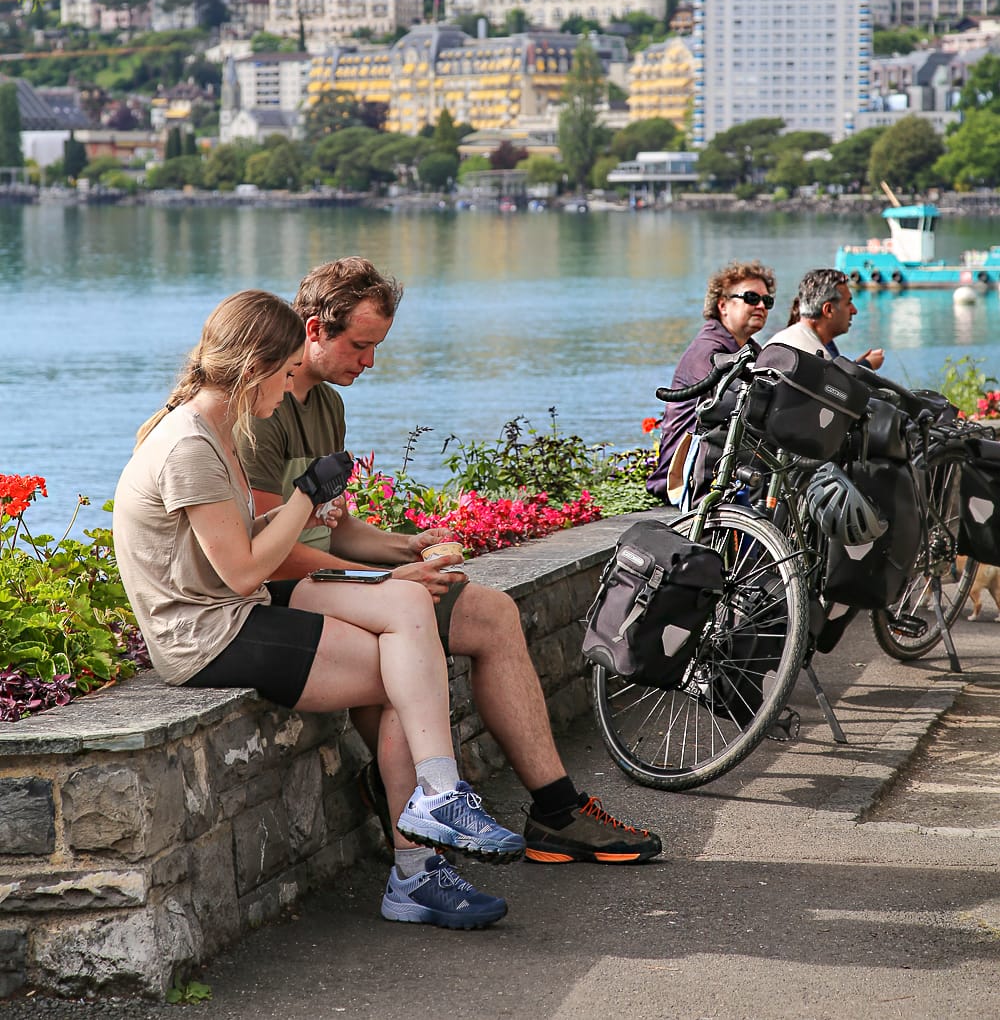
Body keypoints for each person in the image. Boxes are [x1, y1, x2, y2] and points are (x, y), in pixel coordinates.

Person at [112, 288, 526, 932]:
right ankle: (418, 867)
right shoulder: (191, 444)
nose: (287, 387)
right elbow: (245, 568)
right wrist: (306, 499)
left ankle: (439, 798)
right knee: (404, 682)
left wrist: (310, 512)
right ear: (254, 368)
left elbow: (241, 537)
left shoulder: (212, 424)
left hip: (236, 604)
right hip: (207, 632)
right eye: (282, 374)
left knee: (406, 602)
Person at [241, 258, 662, 868]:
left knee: (491, 612)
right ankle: (419, 806)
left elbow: (333, 528)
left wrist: (405, 546)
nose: (370, 362)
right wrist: (386, 579)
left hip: (342, 582)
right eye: (361, 345)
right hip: (293, 595)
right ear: (313, 330)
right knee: (421, 629)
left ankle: (553, 809)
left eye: (376, 346)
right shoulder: (262, 412)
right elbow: (269, 556)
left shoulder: (327, 406)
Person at [647, 259, 777, 503]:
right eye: (751, 297)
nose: (761, 305)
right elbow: (736, 399)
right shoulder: (708, 349)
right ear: (723, 305)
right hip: (687, 473)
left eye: (767, 301)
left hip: (719, 462)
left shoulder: (749, 349)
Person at [768, 269, 884, 369]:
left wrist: (856, 368)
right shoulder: (818, 359)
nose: (854, 311)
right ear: (828, 310)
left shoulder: (778, 341)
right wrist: (866, 365)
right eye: (848, 303)